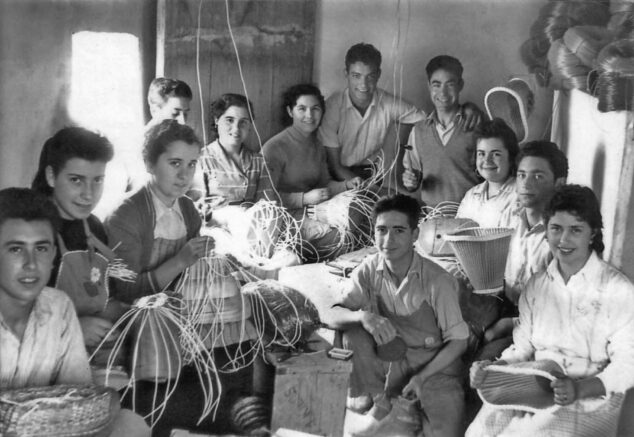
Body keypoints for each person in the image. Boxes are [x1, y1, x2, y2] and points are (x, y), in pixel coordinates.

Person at [105, 120, 255, 433]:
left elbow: (188, 277)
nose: (184, 175)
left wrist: (205, 259)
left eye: (191, 164)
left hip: (177, 307)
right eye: (174, 163)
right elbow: (124, 289)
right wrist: (182, 259)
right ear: (149, 163)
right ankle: (187, 419)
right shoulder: (127, 213)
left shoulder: (187, 208)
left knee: (241, 329)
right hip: (134, 315)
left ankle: (232, 416)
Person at [467, 185, 634, 436]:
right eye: (556, 228)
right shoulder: (537, 285)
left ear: (592, 234)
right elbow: (522, 348)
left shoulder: (617, 288)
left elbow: (628, 364)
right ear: (546, 231)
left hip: (591, 397)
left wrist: (579, 390)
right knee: (479, 431)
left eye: (575, 230)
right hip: (534, 385)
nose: (563, 240)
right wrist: (492, 369)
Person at [0, 187, 149, 436]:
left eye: (41, 248)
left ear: (54, 255)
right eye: (16, 249)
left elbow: (77, 394)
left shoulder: (58, 306)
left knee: (130, 423)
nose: (31, 264)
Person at [324, 194, 469, 437]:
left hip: (435, 371)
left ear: (415, 235)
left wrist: (422, 378)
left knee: (443, 433)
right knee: (351, 329)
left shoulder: (437, 281)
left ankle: (407, 411)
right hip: (392, 363)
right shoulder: (370, 268)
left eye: (399, 230)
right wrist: (363, 317)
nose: (388, 239)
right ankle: (376, 399)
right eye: (382, 230)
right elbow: (330, 314)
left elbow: (459, 342)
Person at [31, 127, 129, 364]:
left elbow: (103, 298)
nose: (88, 194)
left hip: (84, 354)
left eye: (98, 180)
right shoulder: (29, 229)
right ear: (51, 176)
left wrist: (130, 311)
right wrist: (73, 328)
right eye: (76, 180)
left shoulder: (93, 227)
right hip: (37, 359)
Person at [318, 43, 480, 185]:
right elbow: (335, 166)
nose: (363, 84)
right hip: (337, 176)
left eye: (370, 76)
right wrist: (364, 190)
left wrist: (466, 108)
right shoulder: (332, 107)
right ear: (346, 74)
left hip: (372, 174)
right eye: (356, 76)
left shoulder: (388, 103)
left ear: (379, 74)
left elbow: (430, 119)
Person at [480, 140, 568, 355]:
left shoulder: (563, 237)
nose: (526, 184)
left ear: (559, 183)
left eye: (538, 176)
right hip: (506, 304)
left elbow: (561, 309)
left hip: (541, 322)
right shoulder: (510, 217)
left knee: (485, 358)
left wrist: (508, 324)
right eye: (521, 175)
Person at [262, 83, 363, 261]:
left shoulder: (317, 145)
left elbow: (324, 185)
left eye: (315, 109)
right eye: (302, 109)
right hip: (283, 219)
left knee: (360, 218)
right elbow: (264, 198)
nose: (309, 115)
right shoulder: (274, 148)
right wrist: (303, 198)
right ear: (290, 111)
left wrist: (347, 185)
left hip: (313, 210)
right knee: (339, 239)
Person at [402, 55, 482, 207]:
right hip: (432, 217)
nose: (443, 93)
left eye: (450, 84)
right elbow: (413, 180)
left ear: (460, 85)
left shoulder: (475, 123)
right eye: (436, 85)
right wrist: (410, 181)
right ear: (429, 86)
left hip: (471, 215)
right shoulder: (418, 131)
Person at [190, 93, 275, 207]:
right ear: (216, 120)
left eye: (243, 122)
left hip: (252, 223)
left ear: (250, 125)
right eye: (229, 120)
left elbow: (267, 206)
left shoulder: (259, 162)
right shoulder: (201, 159)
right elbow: (195, 210)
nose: (236, 129)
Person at [456, 118, 519, 227]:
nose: (487, 160)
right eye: (481, 154)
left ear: (511, 158)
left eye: (496, 154)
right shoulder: (471, 195)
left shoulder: (520, 195)